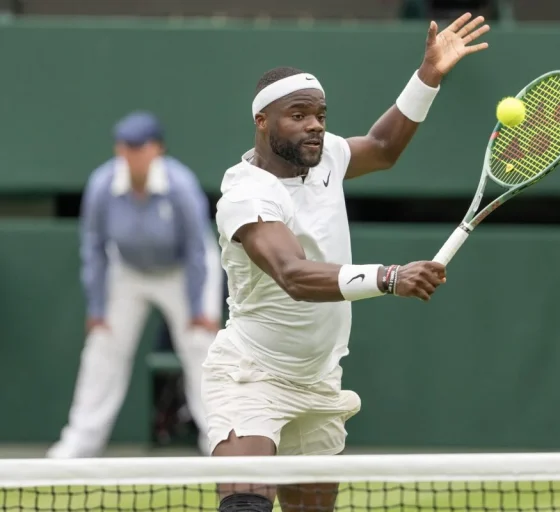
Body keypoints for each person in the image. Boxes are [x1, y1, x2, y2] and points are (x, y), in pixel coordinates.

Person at [201, 12, 489, 512]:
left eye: (320, 113)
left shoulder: (327, 156)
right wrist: (389, 277)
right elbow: (292, 274)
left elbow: (381, 147)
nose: (314, 124)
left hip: (319, 378)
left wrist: (429, 75)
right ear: (262, 121)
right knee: (246, 501)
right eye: (298, 114)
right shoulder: (246, 196)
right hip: (252, 375)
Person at [47, 111, 222, 458]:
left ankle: (216, 441)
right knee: (103, 346)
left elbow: (197, 251)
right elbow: (94, 249)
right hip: (127, 272)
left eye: (139, 147)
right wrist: (97, 308)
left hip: (181, 270)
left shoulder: (180, 185)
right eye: (124, 147)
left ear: (157, 149)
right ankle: (80, 442)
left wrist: (200, 308)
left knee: (201, 346)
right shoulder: (102, 186)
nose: (130, 154)